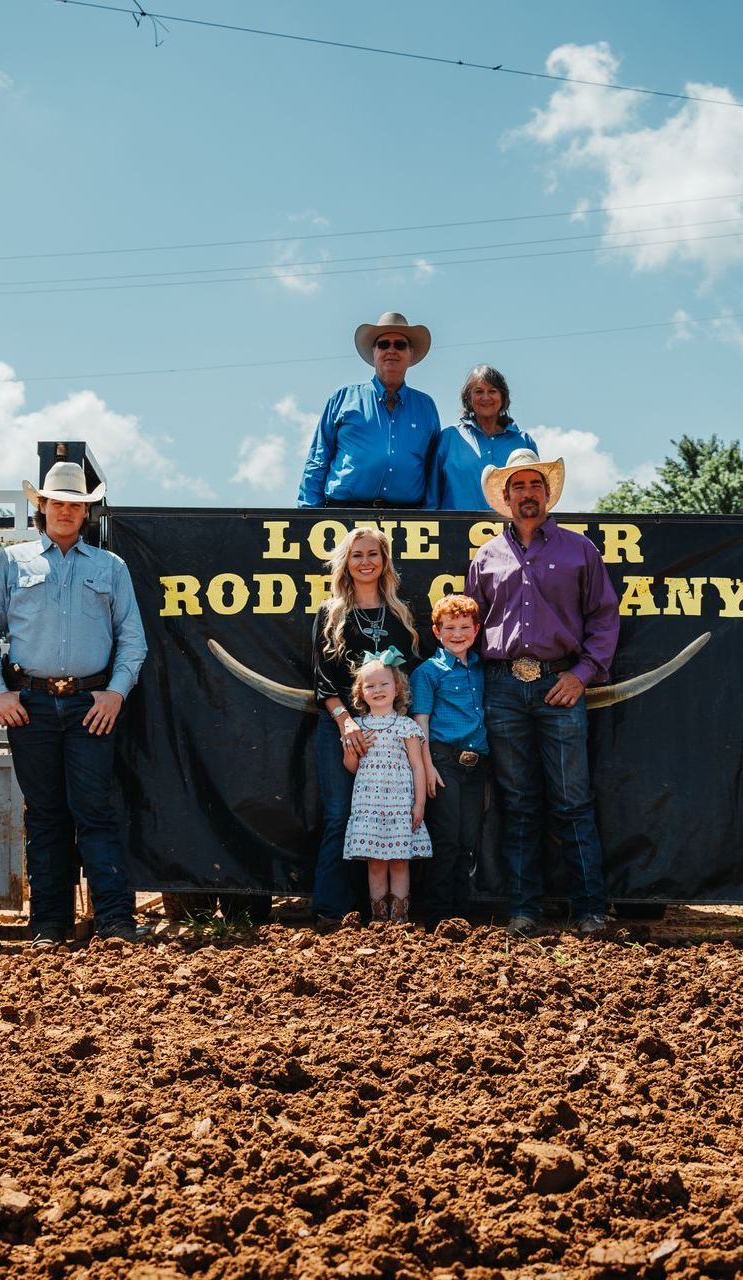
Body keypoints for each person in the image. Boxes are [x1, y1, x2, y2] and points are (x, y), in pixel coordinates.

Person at [0, 461, 149, 946]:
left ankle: (114, 920)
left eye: (75, 504)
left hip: (92, 703)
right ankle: (49, 923)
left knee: (95, 810)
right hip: (31, 704)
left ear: (86, 512)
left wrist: (116, 692)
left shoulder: (110, 567)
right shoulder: (11, 561)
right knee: (44, 813)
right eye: (58, 502)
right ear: (41, 507)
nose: (66, 511)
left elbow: (132, 637)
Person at [466, 449, 618, 936]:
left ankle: (591, 909)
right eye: (518, 487)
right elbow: (471, 623)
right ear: (505, 497)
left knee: (573, 799)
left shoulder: (580, 550)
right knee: (518, 800)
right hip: (502, 688)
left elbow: (603, 617)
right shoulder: (486, 557)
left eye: (535, 485)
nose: (527, 494)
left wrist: (583, 673)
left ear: (547, 493)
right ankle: (523, 910)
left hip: (561, 685)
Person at [310, 526, 423, 924]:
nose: (366, 561)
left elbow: (411, 675)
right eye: (357, 555)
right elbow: (322, 679)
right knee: (341, 813)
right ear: (346, 562)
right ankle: (332, 911)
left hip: (394, 733)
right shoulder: (330, 612)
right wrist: (346, 723)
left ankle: (394, 914)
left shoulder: (400, 613)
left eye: (373, 554)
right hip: (344, 727)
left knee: (394, 817)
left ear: (385, 560)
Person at [297, 311, 441, 508]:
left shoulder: (426, 407)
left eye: (400, 344)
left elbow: (432, 470)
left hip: (408, 520)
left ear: (411, 354)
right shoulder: (342, 398)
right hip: (342, 514)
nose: (391, 350)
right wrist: (307, 515)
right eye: (383, 344)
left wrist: (431, 515)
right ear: (374, 353)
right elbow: (318, 460)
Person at [411, 593, 488, 924]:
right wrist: (427, 767)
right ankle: (438, 914)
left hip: (477, 764)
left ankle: (462, 912)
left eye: (464, 627)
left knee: (468, 837)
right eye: (450, 628)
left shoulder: (483, 669)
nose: (458, 634)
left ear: (476, 629)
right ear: (436, 631)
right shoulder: (429, 671)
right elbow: (421, 722)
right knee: (446, 836)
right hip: (443, 762)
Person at [342, 651, 431, 922]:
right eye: (370, 686)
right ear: (361, 692)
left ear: (397, 689)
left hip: (400, 806)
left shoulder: (406, 727)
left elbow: (418, 766)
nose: (378, 690)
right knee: (376, 863)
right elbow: (351, 768)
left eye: (384, 684)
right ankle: (379, 920)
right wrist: (353, 749)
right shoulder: (357, 727)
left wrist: (419, 804)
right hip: (369, 806)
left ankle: (399, 920)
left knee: (400, 861)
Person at [425, 365, 539, 511]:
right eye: (478, 391)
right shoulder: (449, 438)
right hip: (454, 531)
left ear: (503, 396)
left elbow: (537, 493)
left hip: (510, 532)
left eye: (492, 391)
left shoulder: (524, 442)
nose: (485, 397)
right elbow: (432, 499)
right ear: (468, 398)